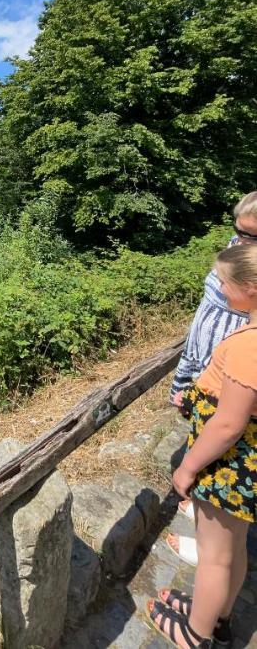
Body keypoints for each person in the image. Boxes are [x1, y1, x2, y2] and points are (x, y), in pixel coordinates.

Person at [147, 241, 257, 649]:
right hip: (242, 464)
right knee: (233, 551)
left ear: (251, 288)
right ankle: (216, 616)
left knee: (215, 557)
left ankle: (196, 634)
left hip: (228, 464)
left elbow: (229, 423)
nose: (220, 292)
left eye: (226, 284)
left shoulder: (250, 344)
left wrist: (188, 467)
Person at [167, 192, 257, 565]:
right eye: (239, 231)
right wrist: (186, 376)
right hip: (209, 363)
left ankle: (210, 551)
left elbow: (229, 425)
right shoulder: (240, 251)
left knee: (220, 451)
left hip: (233, 378)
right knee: (204, 436)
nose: (242, 242)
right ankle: (206, 519)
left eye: (253, 237)